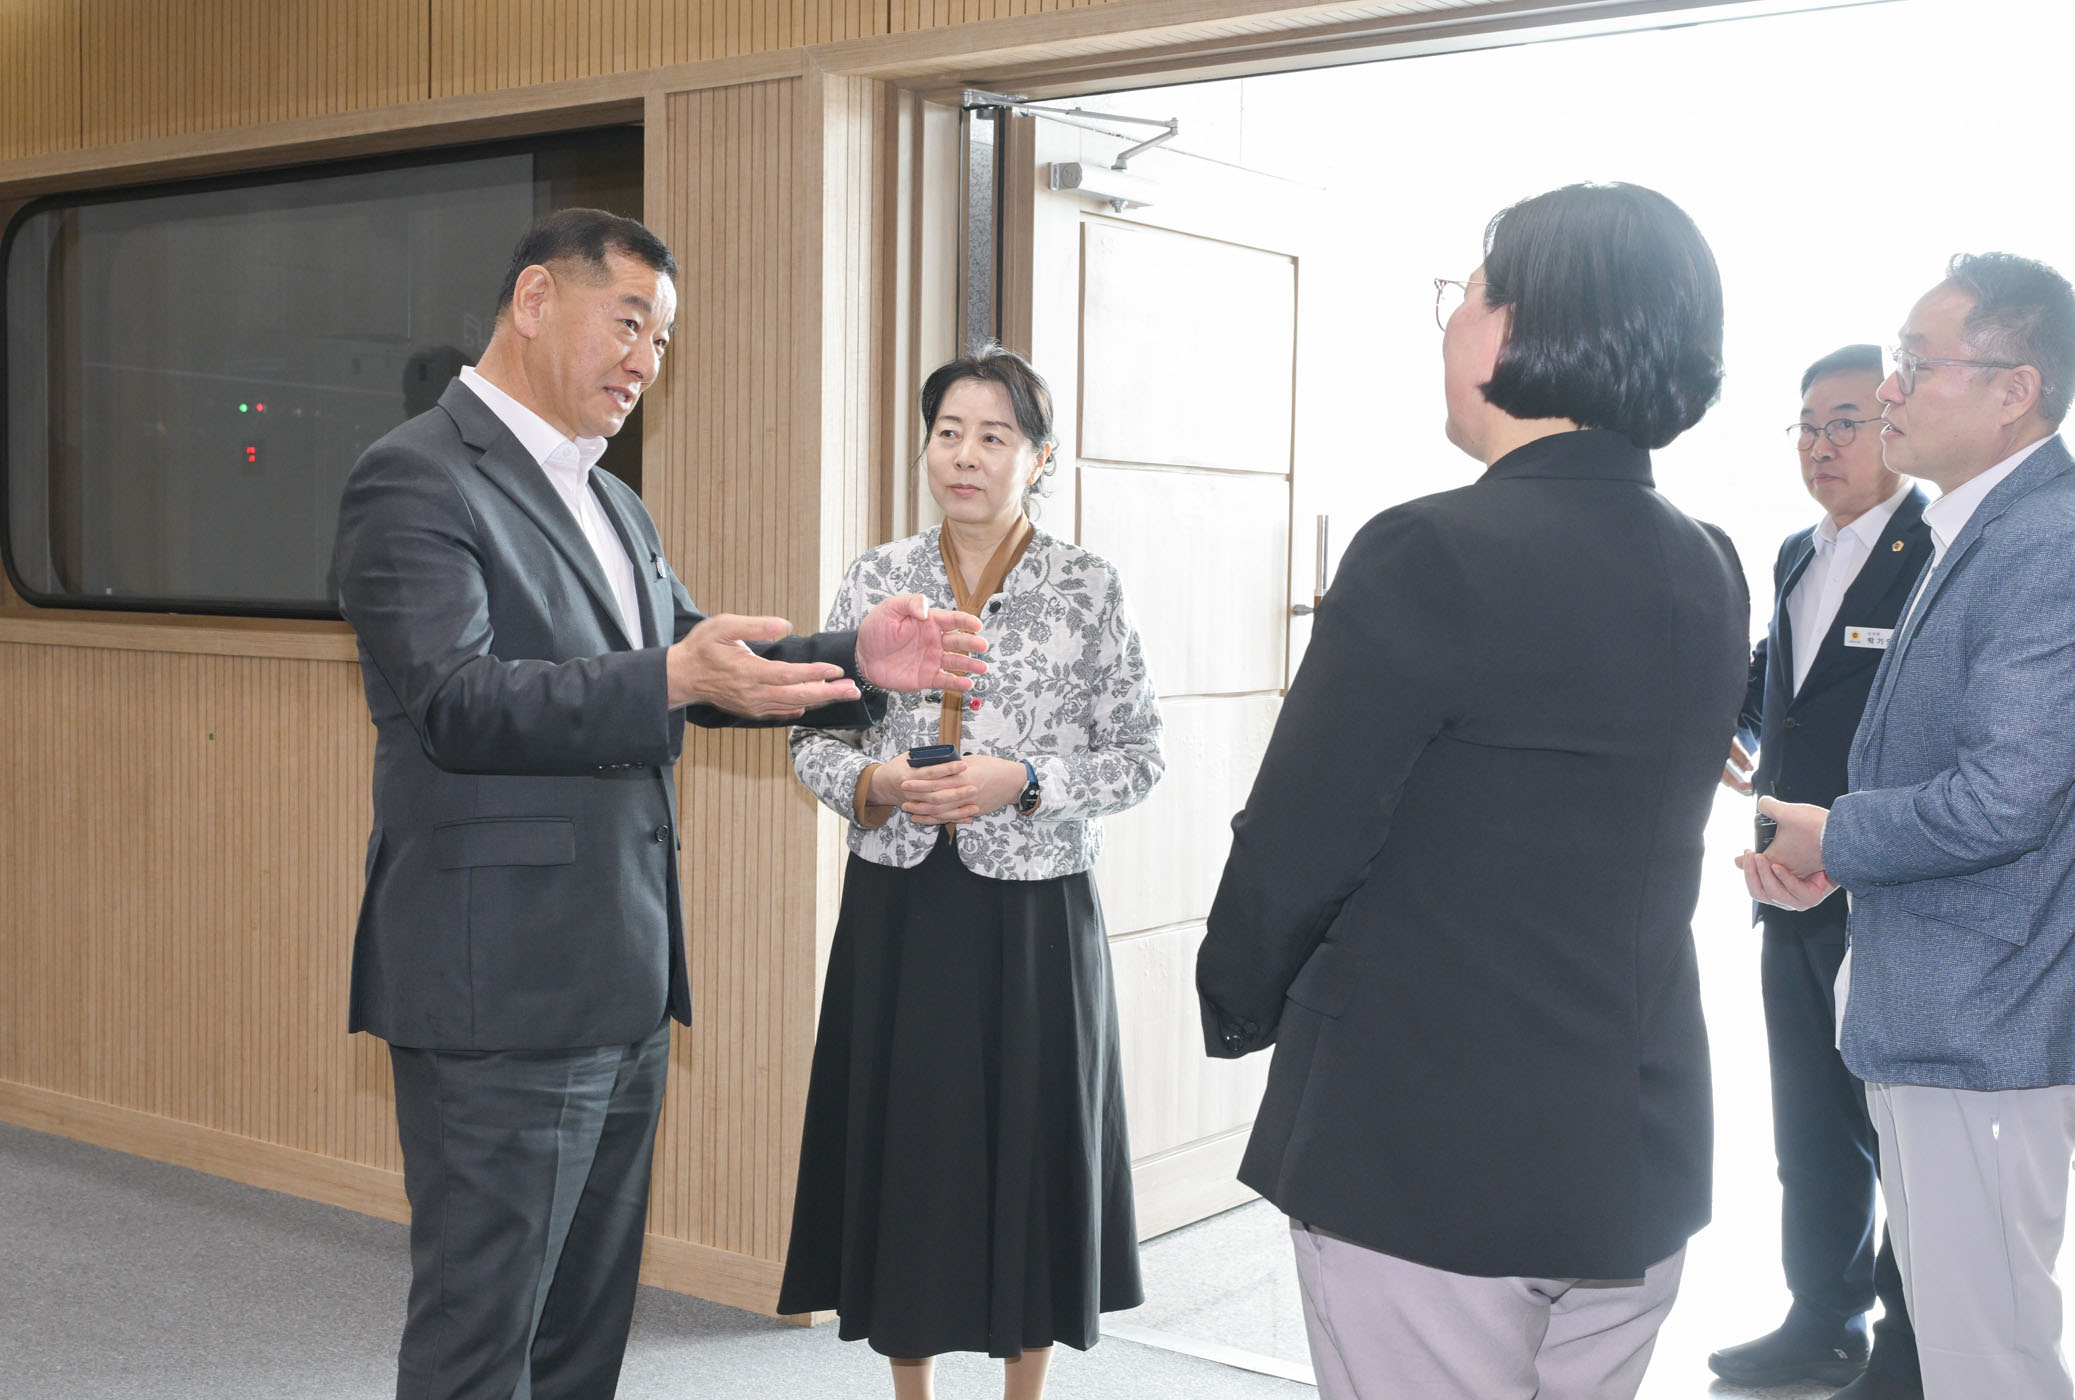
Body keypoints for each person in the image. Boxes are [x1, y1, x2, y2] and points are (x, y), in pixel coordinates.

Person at [331, 207, 989, 1400]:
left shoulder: (612, 501)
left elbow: (693, 656)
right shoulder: (414, 475)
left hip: (621, 976)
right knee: (481, 1333)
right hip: (498, 989)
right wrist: (673, 676)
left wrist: (855, 657)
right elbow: (458, 700)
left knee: (581, 1335)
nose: (646, 359)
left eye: (664, 339)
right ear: (536, 300)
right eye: (628, 322)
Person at [1194, 182, 1748, 1400]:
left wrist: (1234, 993)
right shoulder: (1709, 564)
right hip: (1635, 1146)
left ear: (1525, 329)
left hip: (1429, 1145)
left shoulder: (1429, 549)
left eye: (1471, 291)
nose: (1452, 318)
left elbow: (1301, 835)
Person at [1744, 252, 2075, 1400]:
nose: (1890, 388)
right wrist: (1841, 864)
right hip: (1942, 1008)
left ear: (2015, 389)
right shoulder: (1979, 527)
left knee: (1989, 1363)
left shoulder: (2050, 540)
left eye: (1914, 362)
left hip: (1988, 1021)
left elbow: (2010, 796)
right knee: (1961, 1351)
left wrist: (1837, 836)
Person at [777, 346, 1162, 1400]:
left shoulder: (1087, 585)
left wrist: (1023, 780)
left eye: (995, 436)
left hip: (1036, 915)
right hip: (901, 906)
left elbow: (1139, 756)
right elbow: (813, 738)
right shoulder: (876, 576)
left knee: (1028, 1159)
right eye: (949, 431)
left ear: (1040, 458)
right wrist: (878, 783)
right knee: (911, 1158)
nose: (966, 454)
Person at [1710, 346, 1928, 1398]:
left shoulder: (1938, 548)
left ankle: (1909, 1346)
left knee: (1901, 1132)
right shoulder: (1799, 549)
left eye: (1844, 422)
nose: (1820, 445)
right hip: (1785, 885)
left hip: (1888, 888)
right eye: (1805, 425)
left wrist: (1849, 846)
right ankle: (1821, 1320)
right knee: (1810, 1123)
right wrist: (1731, 723)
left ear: (1893, 422)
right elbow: (1779, 675)